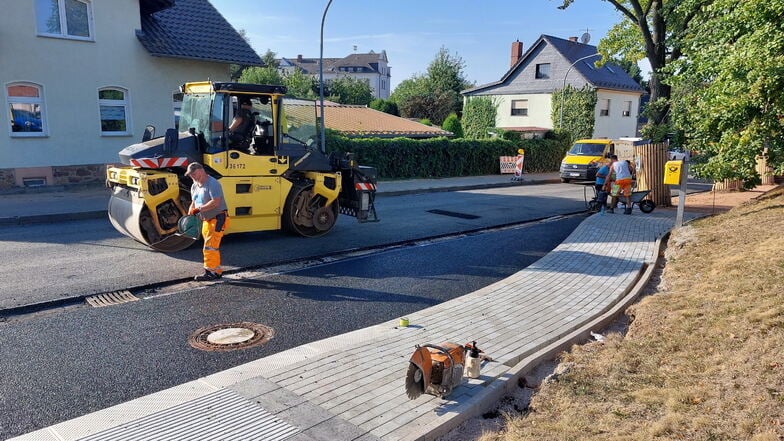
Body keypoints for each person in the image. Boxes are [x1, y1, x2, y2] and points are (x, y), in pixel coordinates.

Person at [185, 162, 230, 281]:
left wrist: (199, 209)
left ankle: (210, 272)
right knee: (211, 247)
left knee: (209, 247)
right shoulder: (194, 186)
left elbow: (216, 202)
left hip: (218, 218)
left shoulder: (213, 183)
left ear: (201, 170)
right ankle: (217, 271)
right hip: (207, 220)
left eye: (194, 174)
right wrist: (191, 211)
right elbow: (194, 202)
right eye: (190, 175)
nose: (192, 177)